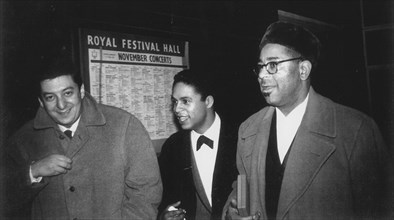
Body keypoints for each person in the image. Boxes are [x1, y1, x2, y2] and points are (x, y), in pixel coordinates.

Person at [223, 21, 393, 220]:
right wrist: (231, 212)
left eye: (272, 65)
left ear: (303, 70)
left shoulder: (356, 130)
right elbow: (241, 188)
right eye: (260, 66)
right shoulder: (247, 130)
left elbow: (380, 210)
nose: (261, 75)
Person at [4, 55, 162, 219]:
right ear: (41, 102)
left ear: (81, 91)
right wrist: (33, 172)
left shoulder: (124, 125)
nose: (61, 105)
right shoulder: (23, 139)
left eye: (67, 93)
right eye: (50, 97)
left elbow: (147, 192)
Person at [158, 69, 238, 220]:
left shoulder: (241, 137)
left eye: (185, 101)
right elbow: (162, 199)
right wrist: (164, 215)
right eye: (174, 102)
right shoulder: (172, 147)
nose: (176, 109)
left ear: (208, 101)